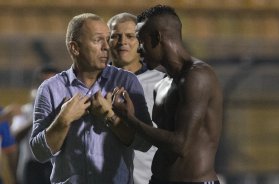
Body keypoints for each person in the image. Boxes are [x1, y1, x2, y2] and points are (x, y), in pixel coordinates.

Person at [101, 5, 223, 184]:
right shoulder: (163, 83)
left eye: (140, 40)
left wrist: (130, 119)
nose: (138, 50)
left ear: (157, 37)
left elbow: (181, 145)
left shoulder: (198, 76)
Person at [29, 13, 152, 184]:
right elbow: (39, 153)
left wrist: (111, 117)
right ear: (75, 48)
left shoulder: (127, 82)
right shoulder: (50, 89)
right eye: (97, 40)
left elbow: (145, 143)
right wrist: (63, 120)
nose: (106, 47)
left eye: (107, 39)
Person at [107, 12, 165, 184]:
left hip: (148, 178)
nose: (122, 41)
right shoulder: (94, 82)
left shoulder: (161, 83)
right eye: (115, 36)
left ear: (140, 41)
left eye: (129, 36)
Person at [11, 65, 59, 184]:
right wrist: (35, 117)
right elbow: (15, 136)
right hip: (32, 166)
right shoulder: (26, 111)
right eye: (43, 84)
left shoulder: (65, 110)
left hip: (56, 163)